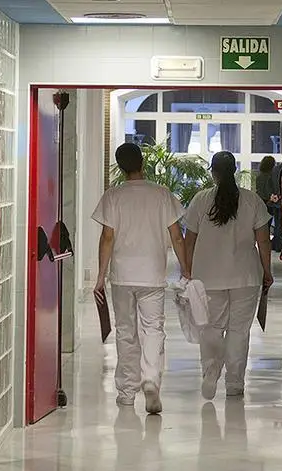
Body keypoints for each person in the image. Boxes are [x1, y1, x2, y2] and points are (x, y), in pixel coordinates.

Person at [92, 143, 190, 414]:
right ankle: (151, 379)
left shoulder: (113, 196)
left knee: (126, 330)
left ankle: (126, 391)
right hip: (152, 274)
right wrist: (185, 268)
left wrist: (101, 276)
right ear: (142, 164)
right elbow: (176, 235)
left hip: (122, 275)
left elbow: (108, 237)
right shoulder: (161, 194)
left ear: (120, 167)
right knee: (153, 328)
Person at [184, 151, 274, 400]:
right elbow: (263, 240)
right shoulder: (252, 200)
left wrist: (187, 270)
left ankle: (210, 371)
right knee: (238, 331)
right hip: (245, 277)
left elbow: (188, 239)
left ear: (213, 172)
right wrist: (267, 271)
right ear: (234, 170)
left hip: (208, 277)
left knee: (211, 328)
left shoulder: (201, 200)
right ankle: (234, 383)